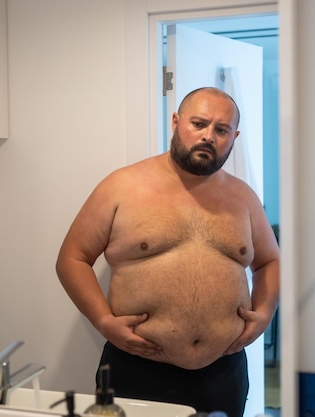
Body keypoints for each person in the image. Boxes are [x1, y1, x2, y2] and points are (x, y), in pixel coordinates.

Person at [56, 87, 280, 417]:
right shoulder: (122, 186)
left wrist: (264, 314)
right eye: (199, 124)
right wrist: (104, 321)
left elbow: (270, 260)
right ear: (176, 122)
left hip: (223, 372)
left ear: (234, 136)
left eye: (221, 130)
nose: (209, 137)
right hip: (137, 368)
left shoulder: (243, 197)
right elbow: (72, 258)